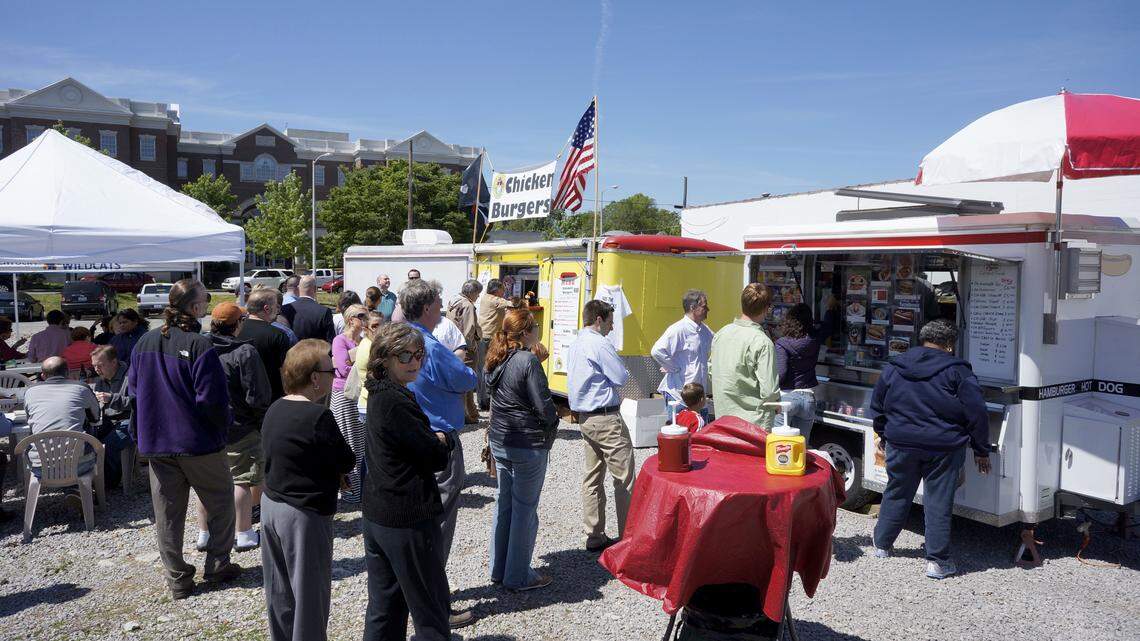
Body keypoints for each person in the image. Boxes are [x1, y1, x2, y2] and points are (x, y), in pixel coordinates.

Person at [129, 278, 241, 599]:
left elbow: (133, 394)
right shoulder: (198, 345)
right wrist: (224, 429)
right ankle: (218, 563)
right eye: (205, 300)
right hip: (198, 443)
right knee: (220, 503)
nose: (207, 305)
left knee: (168, 513)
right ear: (194, 307)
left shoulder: (144, 343)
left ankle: (177, 578)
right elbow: (212, 401)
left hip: (157, 444)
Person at [870, 319, 991, 579]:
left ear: (922, 339)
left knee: (897, 491)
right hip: (943, 446)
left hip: (901, 441)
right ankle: (937, 562)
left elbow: (878, 403)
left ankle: (882, 544)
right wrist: (981, 449)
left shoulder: (896, 365)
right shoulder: (958, 371)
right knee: (938, 501)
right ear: (949, 345)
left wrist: (882, 432)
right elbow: (977, 412)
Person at [362, 322, 455, 640]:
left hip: (380, 513)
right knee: (429, 607)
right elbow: (434, 456)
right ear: (384, 358)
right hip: (406, 517)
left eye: (418, 354)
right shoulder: (396, 401)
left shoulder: (378, 392)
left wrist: (432, 440)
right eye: (404, 356)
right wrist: (445, 439)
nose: (414, 361)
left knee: (385, 607)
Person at [260, 339, 355, 641]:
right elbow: (346, 459)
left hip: (271, 505)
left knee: (279, 591)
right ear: (315, 377)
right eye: (331, 369)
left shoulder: (275, 408)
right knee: (309, 597)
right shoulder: (318, 416)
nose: (334, 374)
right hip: (302, 513)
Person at [401, 279, 477, 628]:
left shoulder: (403, 338)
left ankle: (421, 594)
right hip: (439, 440)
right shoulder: (429, 345)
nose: (443, 307)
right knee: (438, 524)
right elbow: (465, 379)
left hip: (415, 437)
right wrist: (465, 366)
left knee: (424, 522)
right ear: (429, 307)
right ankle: (434, 604)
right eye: (439, 302)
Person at [485, 309, 559, 591]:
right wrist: (553, 418)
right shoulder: (526, 360)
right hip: (528, 442)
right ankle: (517, 575)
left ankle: (499, 568)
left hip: (501, 440)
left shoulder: (496, 356)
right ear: (527, 331)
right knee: (525, 510)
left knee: (505, 504)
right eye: (536, 327)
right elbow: (543, 405)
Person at [196, 302, 272, 554]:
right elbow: (257, 394)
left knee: (206, 482)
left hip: (207, 425)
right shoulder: (245, 352)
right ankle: (244, 533)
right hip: (241, 426)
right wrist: (261, 421)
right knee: (241, 480)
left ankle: (204, 533)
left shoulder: (200, 346)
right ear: (238, 324)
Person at [565, 299, 634, 552]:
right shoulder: (599, 343)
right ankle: (628, 536)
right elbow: (620, 376)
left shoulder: (576, 343)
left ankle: (594, 533)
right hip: (606, 417)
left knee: (592, 477)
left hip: (585, 417)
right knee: (624, 478)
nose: (612, 327)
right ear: (599, 320)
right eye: (610, 321)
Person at [709, 283, 781, 429]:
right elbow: (769, 391)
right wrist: (777, 405)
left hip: (724, 418)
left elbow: (711, 371)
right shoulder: (762, 342)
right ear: (766, 309)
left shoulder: (721, 333)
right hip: (753, 424)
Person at [774, 300, 839, 440]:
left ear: (789, 322)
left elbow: (782, 373)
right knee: (801, 447)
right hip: (808, 398)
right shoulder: (815, 338)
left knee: (780, 446)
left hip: (786, 398)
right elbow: (828, 326)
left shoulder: (782, 344)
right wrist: (830, 309)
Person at [23, 356, 100, 475]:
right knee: (88, 431)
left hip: (40, 467)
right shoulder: (81, 388)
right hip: (78, 465)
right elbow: (96, 418)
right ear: (67, 372)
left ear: (43, 375)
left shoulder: (30, 392)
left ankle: (69, 487)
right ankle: (75, 487)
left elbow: (30, 423)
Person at [651, 289, 713, 412]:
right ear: (693, 307)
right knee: (679, 431)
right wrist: (674, 368)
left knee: (699, 431)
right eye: (704, 306)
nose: (708, 310)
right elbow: (657, 351)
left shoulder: (705, 330)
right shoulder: (679, 329)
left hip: (699, 399)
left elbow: (718, 343)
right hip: (680, 397)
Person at [331, 303, 369, 503]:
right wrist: (362, 363)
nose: (366, 319)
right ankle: (350, 492)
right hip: (345, 395)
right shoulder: (340, 340)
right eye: (362, 316)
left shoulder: (363, 341)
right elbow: (342, 368)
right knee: (349, 442)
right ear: (350, 319)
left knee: (361, 443)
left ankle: (360, 488)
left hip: (360, 395)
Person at [90, 345, 134, 488]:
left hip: (131, 420)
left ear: (113, 362)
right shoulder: (100, 381)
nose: (96, 370)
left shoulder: (131, 376)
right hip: (108, 420)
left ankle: (108, 482)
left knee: (107, 446)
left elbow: (140, 403)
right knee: (89, 440)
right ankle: (88, 480)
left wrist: (112, 398)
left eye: (100, 365)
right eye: (94, 366)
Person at [239, 287, 293, 401]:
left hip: (240, 395)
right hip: (270, 398)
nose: (278, 310)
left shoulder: (236, 330)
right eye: (276, 307)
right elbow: (285, 370)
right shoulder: (278, 335)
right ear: (267, 308)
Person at [449, 279, 484, 424]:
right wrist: (471, 347)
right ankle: (468, 413)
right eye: (478, 294)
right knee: (468, 381)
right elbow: (469, 329)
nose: (478, 297)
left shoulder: (453, 301)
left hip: (453, 345)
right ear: (473, 292)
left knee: (458, 381)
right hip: (465, 348)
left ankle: (463, 411)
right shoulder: (468, 305)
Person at [477, 279, 515, 409]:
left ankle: (483, 400)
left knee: (483, 368)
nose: (503, 292)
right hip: (488, 338)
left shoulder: (485, 297)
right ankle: (485, 401)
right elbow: (512, 304)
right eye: (502, 289)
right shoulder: (493, 299)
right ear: (496, 290)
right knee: (487, 368)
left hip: (484, 336)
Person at [354, 310, 385, 429]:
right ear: (365, 329)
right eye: (375, 326)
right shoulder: (370, 347)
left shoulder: (369, 343)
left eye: (382, 325)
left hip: (369, 401)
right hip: (370, 402)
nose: (380, 329)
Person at [282, 275, 334, 342]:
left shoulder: (285, 309)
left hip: (292, 351)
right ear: (315, 289)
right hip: (316, 351)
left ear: (298, 288)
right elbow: (330, 340)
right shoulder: (324, 311)